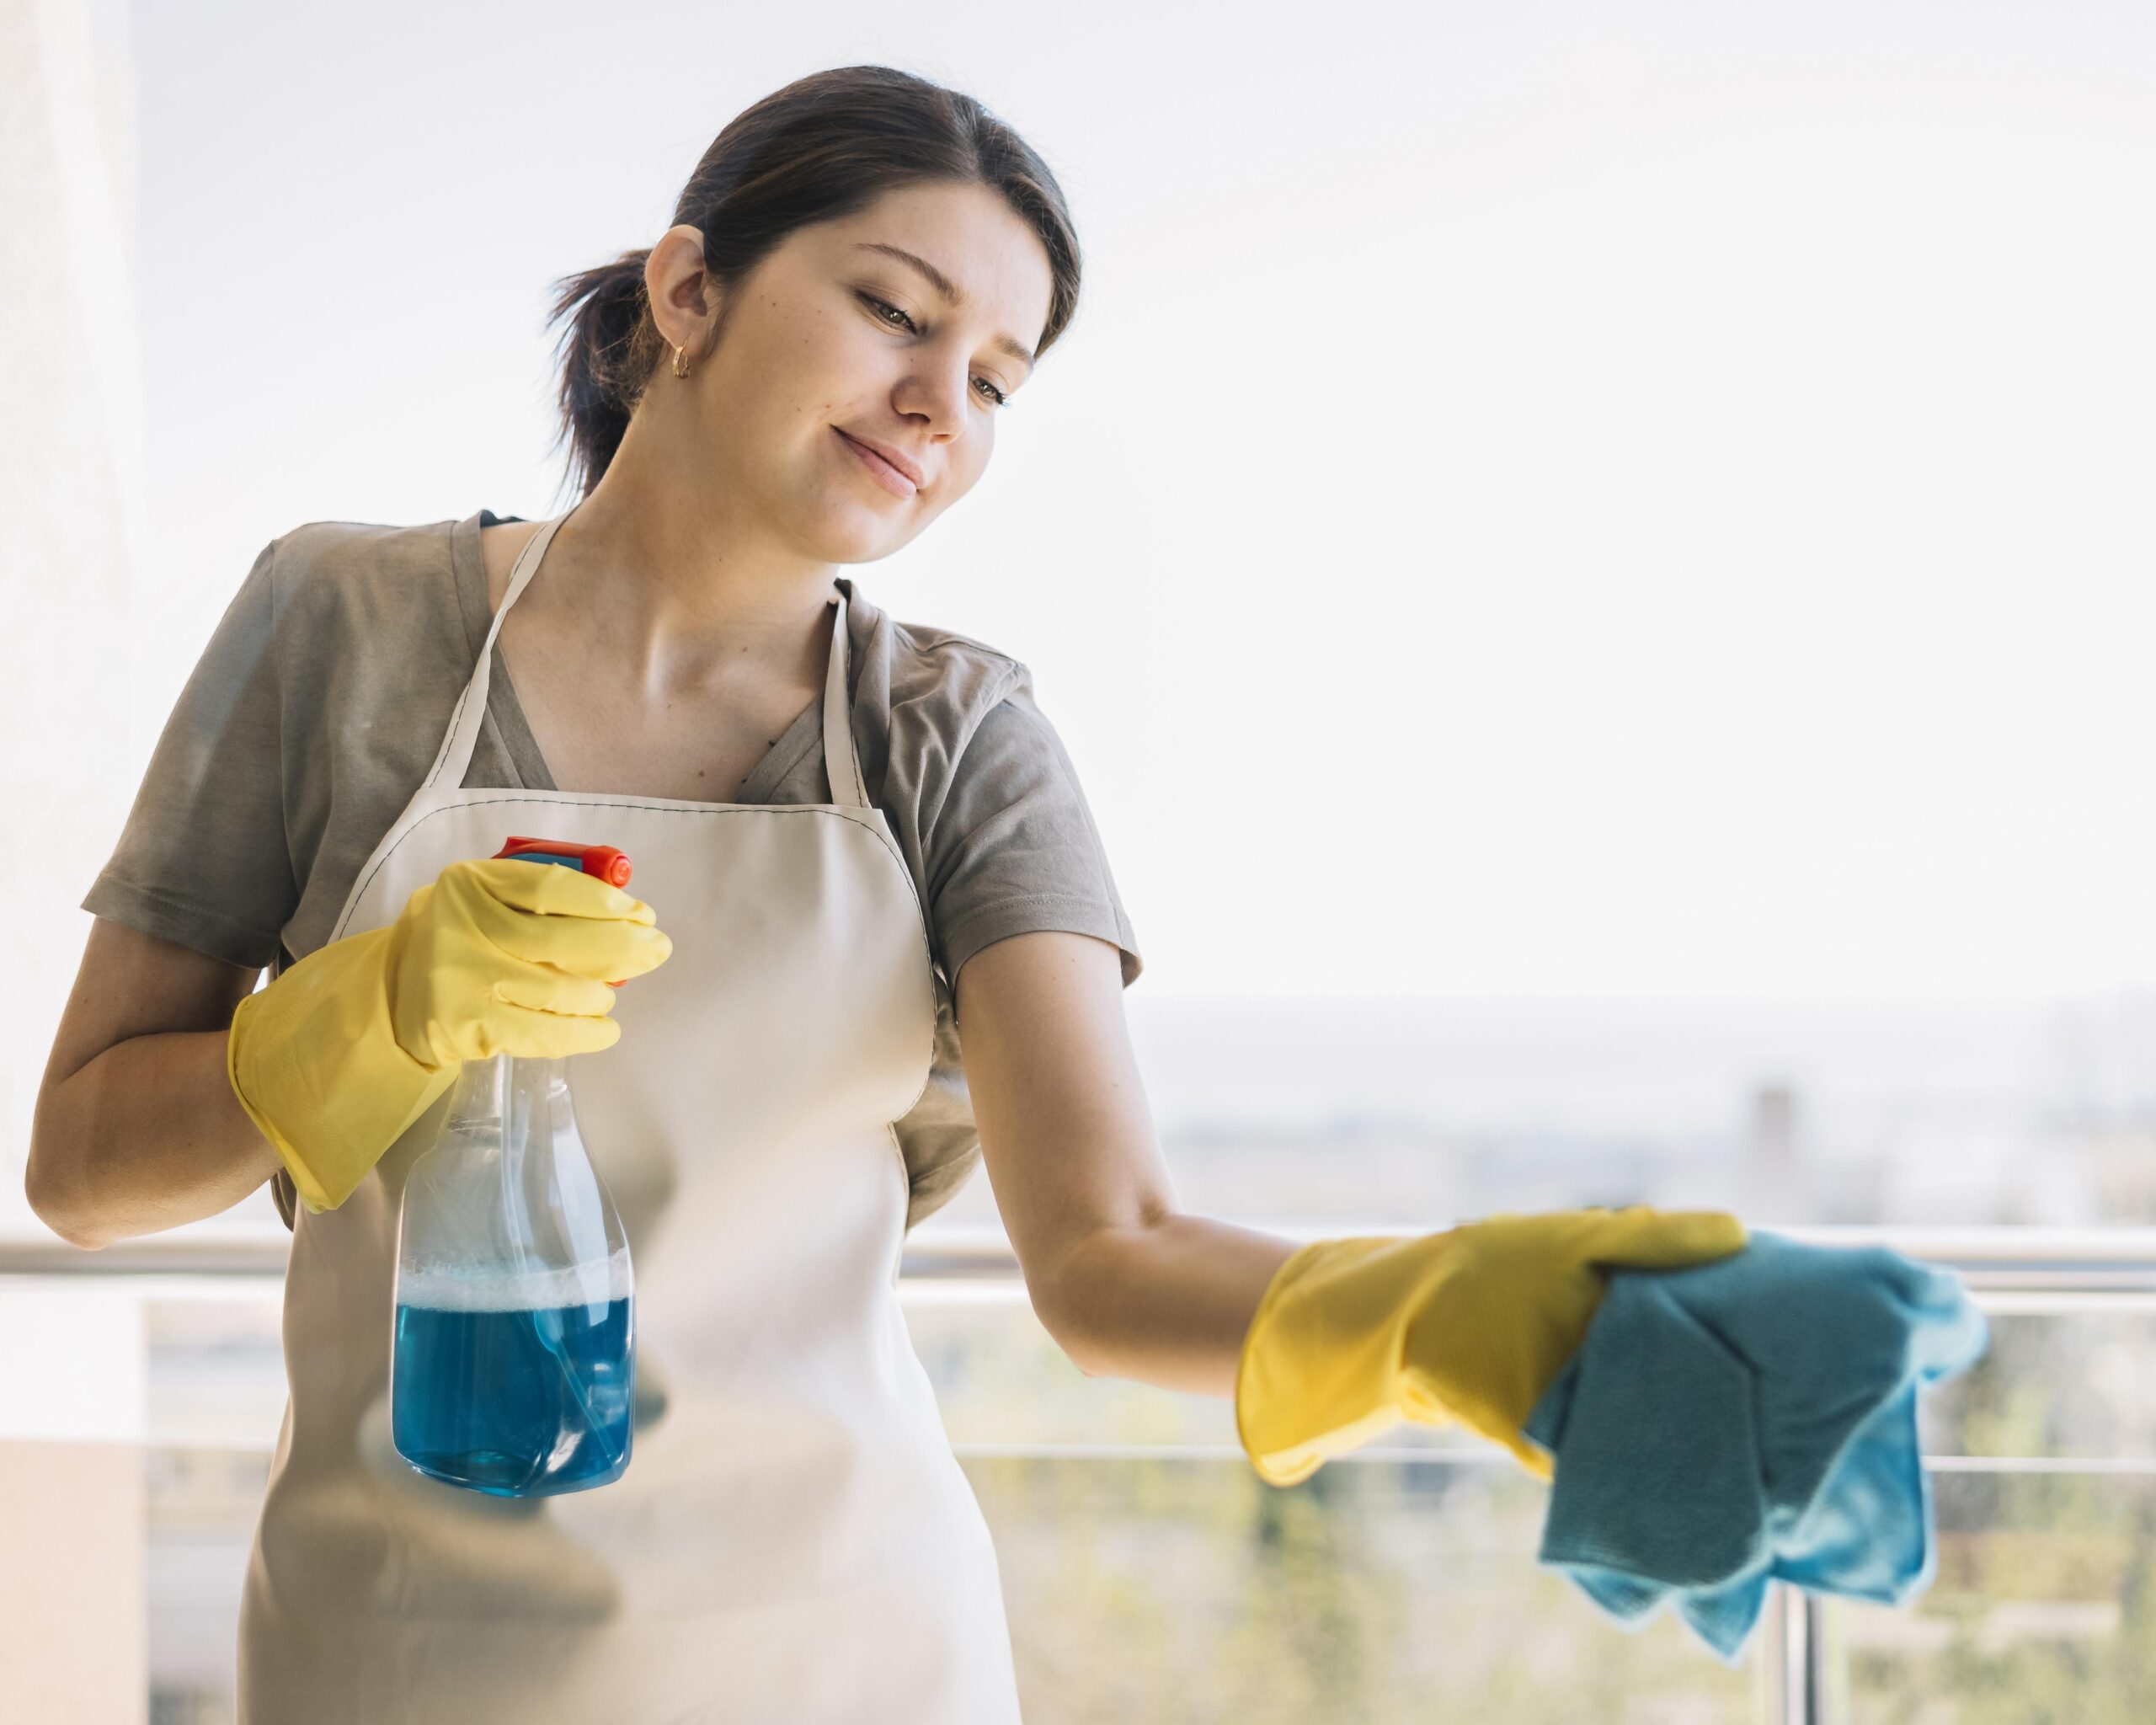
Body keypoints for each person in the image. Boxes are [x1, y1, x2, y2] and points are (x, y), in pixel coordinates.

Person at [26, 63, 1743, 1724]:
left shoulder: (956, 737)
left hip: (843, 1643)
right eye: (895, 311)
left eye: (997, 376)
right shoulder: (343, 621)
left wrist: (1451, 1318)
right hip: (397, 1650)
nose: (941, 403)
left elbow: (1109, 1254)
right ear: (686, 288)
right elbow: (86, 1166)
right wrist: (358, 1015)